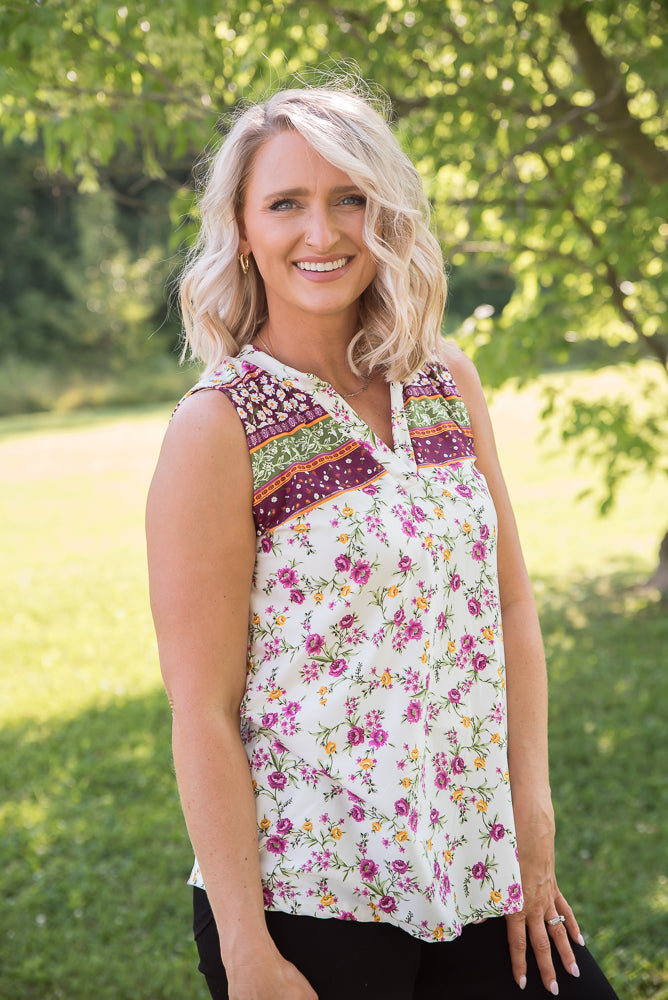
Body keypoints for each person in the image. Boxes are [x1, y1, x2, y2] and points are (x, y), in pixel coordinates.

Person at [146, 84, 619, 1000]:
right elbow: (200, 708)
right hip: (311, 894)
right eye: (285, 203)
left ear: (385, 213)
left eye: (348, 198)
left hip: (478, 866)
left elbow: (511, 606)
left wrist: (532, 822)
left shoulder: (446, 379)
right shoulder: (219, 426)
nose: (320, 232)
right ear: (243, 229)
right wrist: (247, 950)